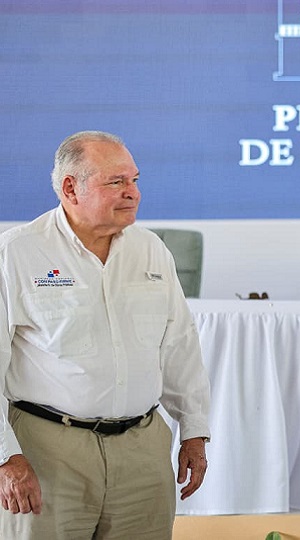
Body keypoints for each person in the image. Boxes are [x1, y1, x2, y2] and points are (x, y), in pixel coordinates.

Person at [0, 131, 211, 539]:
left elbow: (180, 346)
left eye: (134, 180)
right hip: (47, 452)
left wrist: (195, 431)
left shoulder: (151, 251)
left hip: (143, 452)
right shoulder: (16, 254)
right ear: (69, 188)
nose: (133, 193)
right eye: (116, 182)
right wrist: (6, 458)